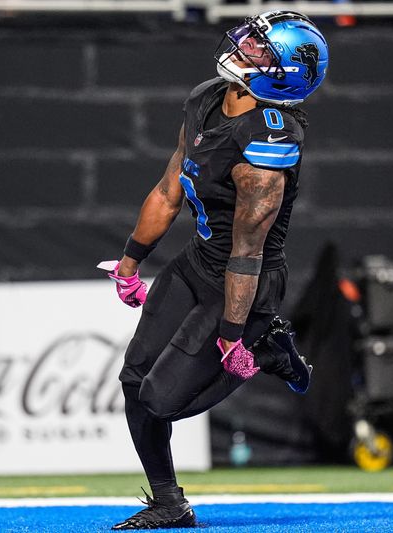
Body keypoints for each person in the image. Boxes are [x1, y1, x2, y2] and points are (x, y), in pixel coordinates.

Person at [100, 11, 328, 529]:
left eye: (261, 48)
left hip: (243, 281)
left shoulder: (269, 140)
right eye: (251, 37)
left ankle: (266, 347)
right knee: (135, 384)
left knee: (162, 399)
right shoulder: (207, 96)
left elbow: (248, 249)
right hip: (197, 263)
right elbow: (168, 190)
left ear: (285, 73)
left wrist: (232, 334)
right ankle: (168, 503)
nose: (245, 45)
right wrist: (131, 263)